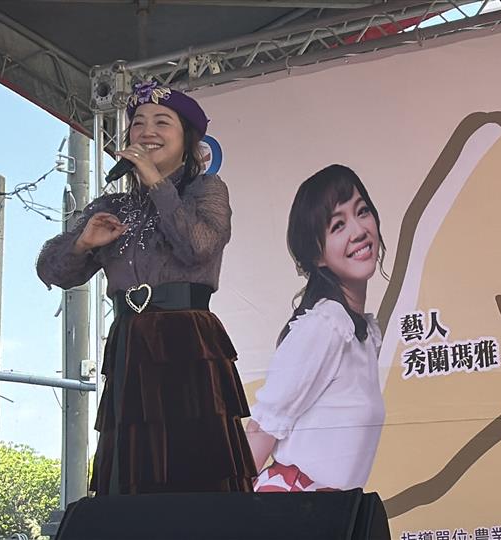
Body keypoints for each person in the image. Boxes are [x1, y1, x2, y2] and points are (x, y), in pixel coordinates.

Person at [36, 79, 254, 495]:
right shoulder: (111, 206)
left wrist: (157, 183)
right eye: (138, 123)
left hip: (190, 341)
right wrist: (83, 244)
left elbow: (198, 246)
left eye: (162, 122)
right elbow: (52, 270)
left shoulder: (206, 190)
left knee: (197, 464)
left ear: (188, 140)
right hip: (130, 344)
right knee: (133, 467)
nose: (147, 131)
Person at [245, 164, 387, 492]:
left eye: (362, 211)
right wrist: (223, 511)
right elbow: (262, 428)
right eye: (338, 225)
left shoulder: (361, 333)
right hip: (292, 506)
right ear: (317, 255)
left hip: (332, 509)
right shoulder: (325, 326)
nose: (358, 231)